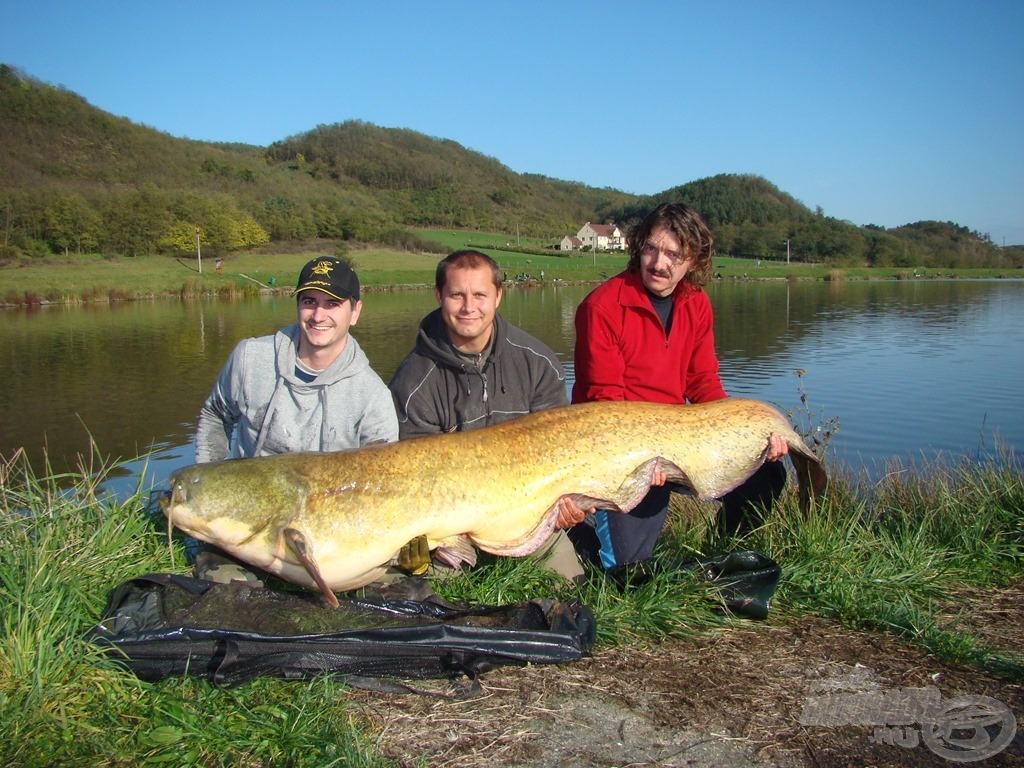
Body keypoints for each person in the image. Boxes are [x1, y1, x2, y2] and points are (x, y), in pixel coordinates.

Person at [567, 202, 789, 572]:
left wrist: (738, 438)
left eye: (674, 254)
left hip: (678, 445)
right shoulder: (602, 307)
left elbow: (703, 383)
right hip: (618, 452)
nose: (659, 263)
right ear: (638, 248)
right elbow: (606, 404)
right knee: (627, 572)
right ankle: (578, 533)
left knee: (765, 473)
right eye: (651, 249)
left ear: (693, 263)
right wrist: (647, 456)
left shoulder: (697, 303)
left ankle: (726, 550)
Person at [192, 256, 399, 580]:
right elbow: (215, 415)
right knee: (221, 584)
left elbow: (386, 483)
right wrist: (208, 485)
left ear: (355, 311)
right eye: (309, 302)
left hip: (330, 529)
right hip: (252, 519)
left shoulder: (373, 396)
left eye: (332, 304)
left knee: (384, 578)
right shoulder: (250, 359)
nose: (318, 315)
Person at [388, 249, 585, 582]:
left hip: (528, 516)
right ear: (439, 296)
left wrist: (564, 503)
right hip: (450, 526)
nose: (468, 307)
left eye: (480, 294)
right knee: (432, 593)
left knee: (570, 588)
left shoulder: (538, 362)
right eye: (456, 295)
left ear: (498, 296)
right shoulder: (412, 382)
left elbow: (559, 453)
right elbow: (414, 482)